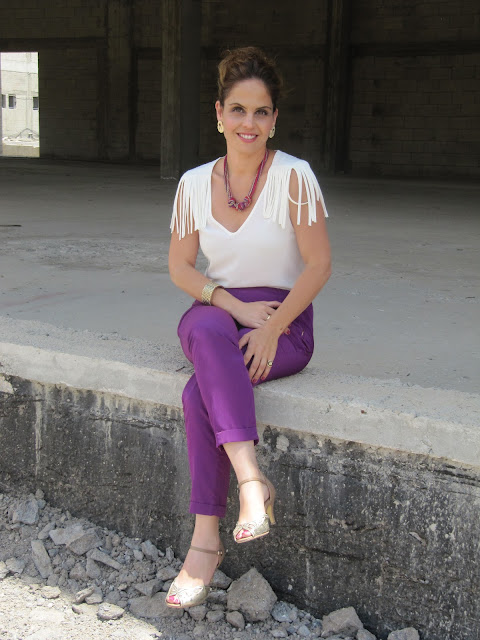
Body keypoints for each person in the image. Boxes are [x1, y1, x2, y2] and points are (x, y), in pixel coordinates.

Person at [166, 46, 331, 609]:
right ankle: (251, 478)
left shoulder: (294, 177)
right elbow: (181, 267)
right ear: (219, 114)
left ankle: (204, 541)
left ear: (275, 119)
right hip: (220, 311)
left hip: (284, 323)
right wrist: (233, 306)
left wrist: (271, 328)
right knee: (207, 328)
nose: (249, 123)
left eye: (261, 112)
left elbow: (319, 265)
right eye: (238, 110)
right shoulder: (193, 184)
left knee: (198, 393)